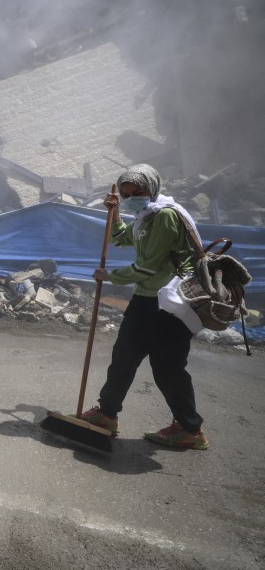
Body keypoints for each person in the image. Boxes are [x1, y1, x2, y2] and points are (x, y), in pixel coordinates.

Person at [80, 164, 209, 449]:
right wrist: (113, 212)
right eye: (126, 194)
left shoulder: (164, 216)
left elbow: (148, 267)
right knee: (124, 356)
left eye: (137, 191)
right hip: (145, 299)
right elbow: (119, 237)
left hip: (170, 303)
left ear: (152, 188)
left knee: (167, 367)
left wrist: (111, 276)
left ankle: (190, 430)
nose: (132, 197)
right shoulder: (144, 217)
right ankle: (107, 414)